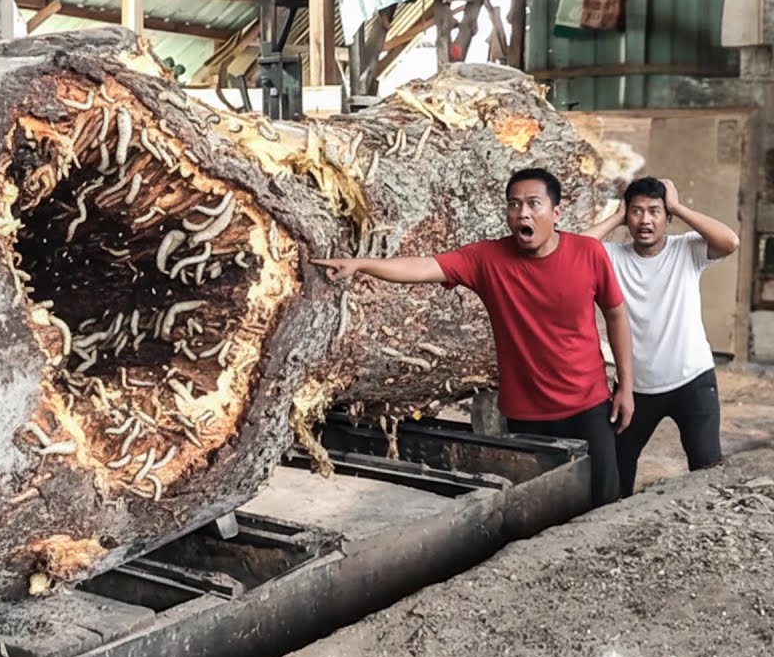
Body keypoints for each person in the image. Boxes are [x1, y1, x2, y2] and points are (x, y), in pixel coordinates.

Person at [312, 168, 634, 508]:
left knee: (603, 503)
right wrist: (362, 264)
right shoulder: (487, 259)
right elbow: (424, 267)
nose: (522, 212)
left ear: (557, 212)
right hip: (527, 414)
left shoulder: (589, 252)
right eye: (514, 204)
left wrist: (626, 385)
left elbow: (616, 316)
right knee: (541, 511)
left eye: (533, 204)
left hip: (589, 405)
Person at [581, 177, 738, 497]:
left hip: (693, 380)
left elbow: (730, 241)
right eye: (637, 212)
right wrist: (616, 216)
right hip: (635, 389)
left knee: (706, 468)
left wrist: (678, 206)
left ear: (668, 218)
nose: (646, 220)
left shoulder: (687, 249)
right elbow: (572, 251)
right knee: (617, 471)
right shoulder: (612, 257)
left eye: (655, 211)